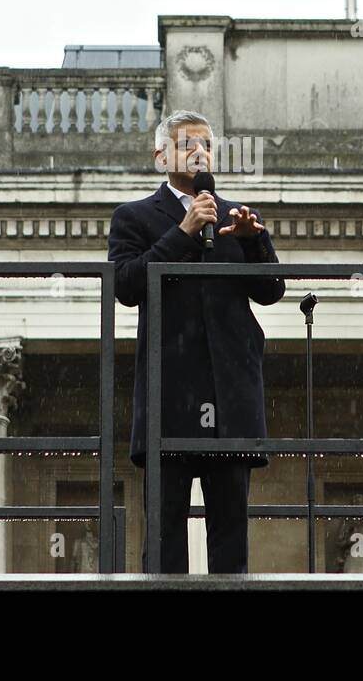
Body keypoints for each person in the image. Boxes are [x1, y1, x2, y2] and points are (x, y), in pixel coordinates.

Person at [107, 109, 284, 573]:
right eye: (187, 144)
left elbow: (271, 292)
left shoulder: (237, 217)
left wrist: (252, 244)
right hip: (170, 397)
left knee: (231, 536)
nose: (199, 152)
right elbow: (125, 286)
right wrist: (182, 233)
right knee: (165, 535)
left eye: (205, 144)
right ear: (161, 156)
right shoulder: (135, 217)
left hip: (231, 399)